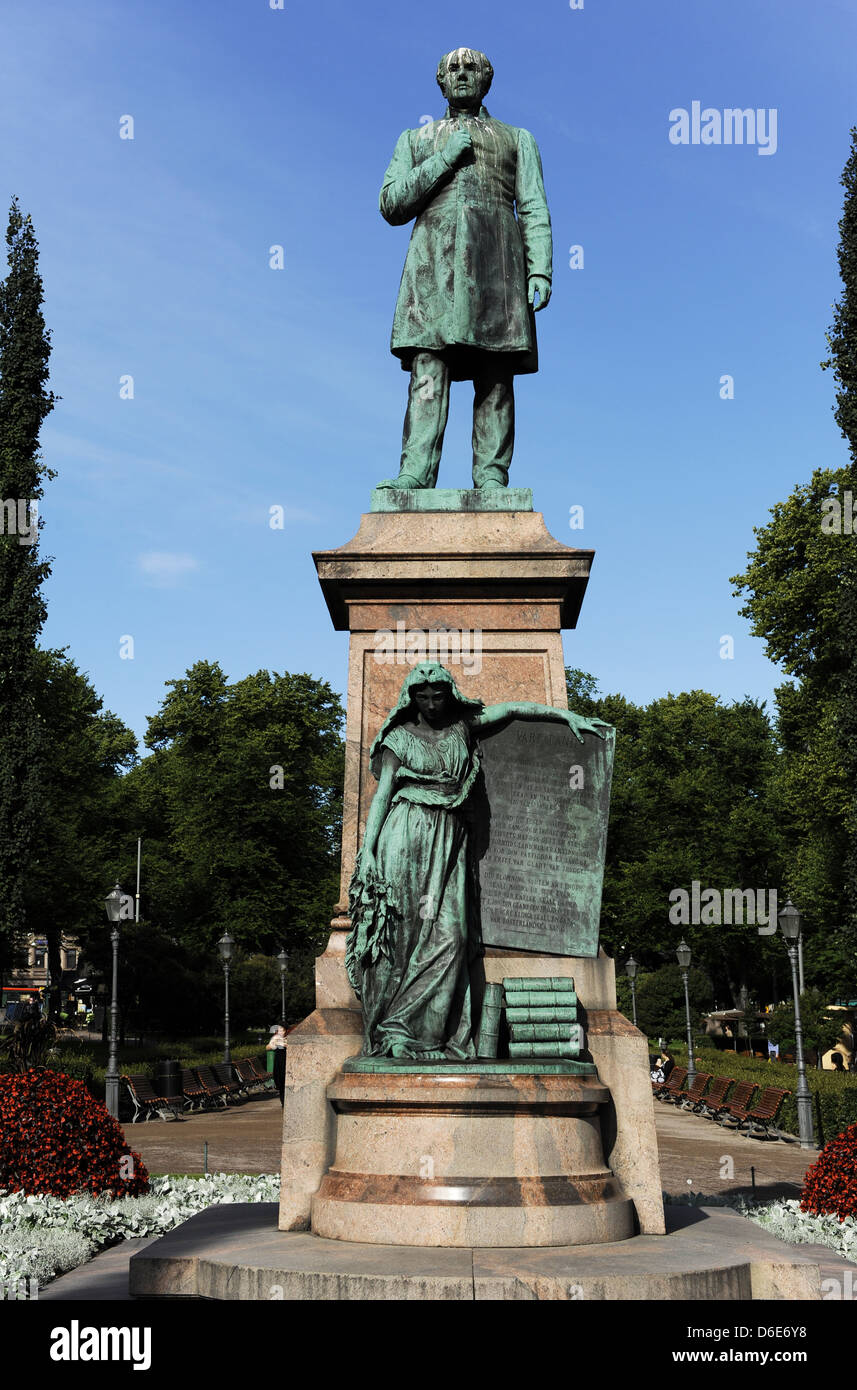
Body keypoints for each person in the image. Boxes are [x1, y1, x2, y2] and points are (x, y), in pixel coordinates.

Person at [346, 662, 609, 1060]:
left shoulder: (463, 727)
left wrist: (564, 715)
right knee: (404, 937)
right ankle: (396, 1033)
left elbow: (513, 710)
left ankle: (426, 1032)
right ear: (410, 697)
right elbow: (382, 797)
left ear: (450, 694)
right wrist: (367, 852)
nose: (431, 703)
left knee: (451, 936)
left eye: (438, 695)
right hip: (406, 835)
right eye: (422, 696)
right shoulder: (397, 739)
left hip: (450, 837)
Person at [376, 48, 552, 492]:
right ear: (440, 80)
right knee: (428, 370)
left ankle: (492, 475)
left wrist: (540, 269)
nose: (461, 74)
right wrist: (445, 158)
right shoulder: (415, 140)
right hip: (432, 267)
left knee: (496, 371)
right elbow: (392, 204)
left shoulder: (517, 138)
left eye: (471, 68)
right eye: (452, 68)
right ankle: (415, 471)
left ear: (486, 79)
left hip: (498, 265)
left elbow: (532, 206)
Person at [266, 1023, 288, 1105]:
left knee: (284, 1081)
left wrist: (284, 1044)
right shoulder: (275, 1039)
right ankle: (283, 1102)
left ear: (285, 1031)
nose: (279, 1031)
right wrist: (275, 1044)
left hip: (286, 1063)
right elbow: (267, 1047)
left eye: (281, 1030)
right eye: (278, 1030)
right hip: (278, 1063)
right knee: (280, 1081)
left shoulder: (288, 1039)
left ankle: (285, 1101)